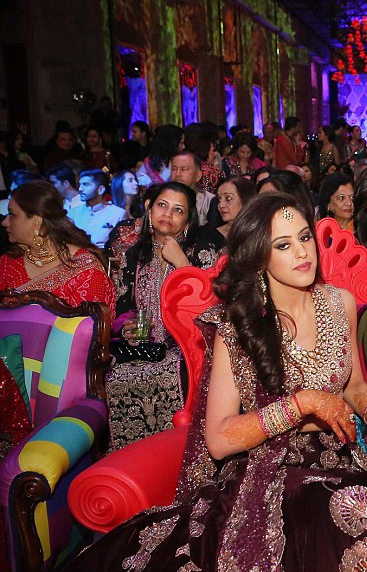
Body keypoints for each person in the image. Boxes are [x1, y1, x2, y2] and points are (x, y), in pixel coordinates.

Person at [4, 191, 367, 572]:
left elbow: (355, 388)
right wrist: (302, 403)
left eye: (304, 237)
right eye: (282, 245)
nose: (302, 252)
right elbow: (221, 439)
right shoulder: (239, 325)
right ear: (257, 256)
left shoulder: (339, 302)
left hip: (339, 459)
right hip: (270, 471)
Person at [105, 182, 220, 451]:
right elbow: (123, 309)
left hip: (191, 348)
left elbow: (214, 307)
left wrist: (182, 264)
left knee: (173, 372)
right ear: (149, 209)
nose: (167, 214)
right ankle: (133, 459)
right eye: (162, 205)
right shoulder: (135, 254)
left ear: (188, 219)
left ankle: (174, 455)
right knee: (115, 375)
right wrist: (127, 329)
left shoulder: (204, 251)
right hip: (145, 348)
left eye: (178, 210)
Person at [0, 180, 115, 318]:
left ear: (37, 221)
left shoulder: (84, 270)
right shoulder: (8, 262)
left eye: (12, 215)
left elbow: (87, 332)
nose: (4, 222)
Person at [66, 169, 126, 248]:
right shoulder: (72, 213)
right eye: (80, 185)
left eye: (86, 184)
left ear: (100, 189)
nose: (80, 189)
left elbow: (123, 246)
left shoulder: (118, 213)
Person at [204, 175, 256, 247]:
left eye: (228, 198)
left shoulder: (260, 234)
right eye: (219, 199)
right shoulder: (207, 235)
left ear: (245, 200)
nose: (221, 205)